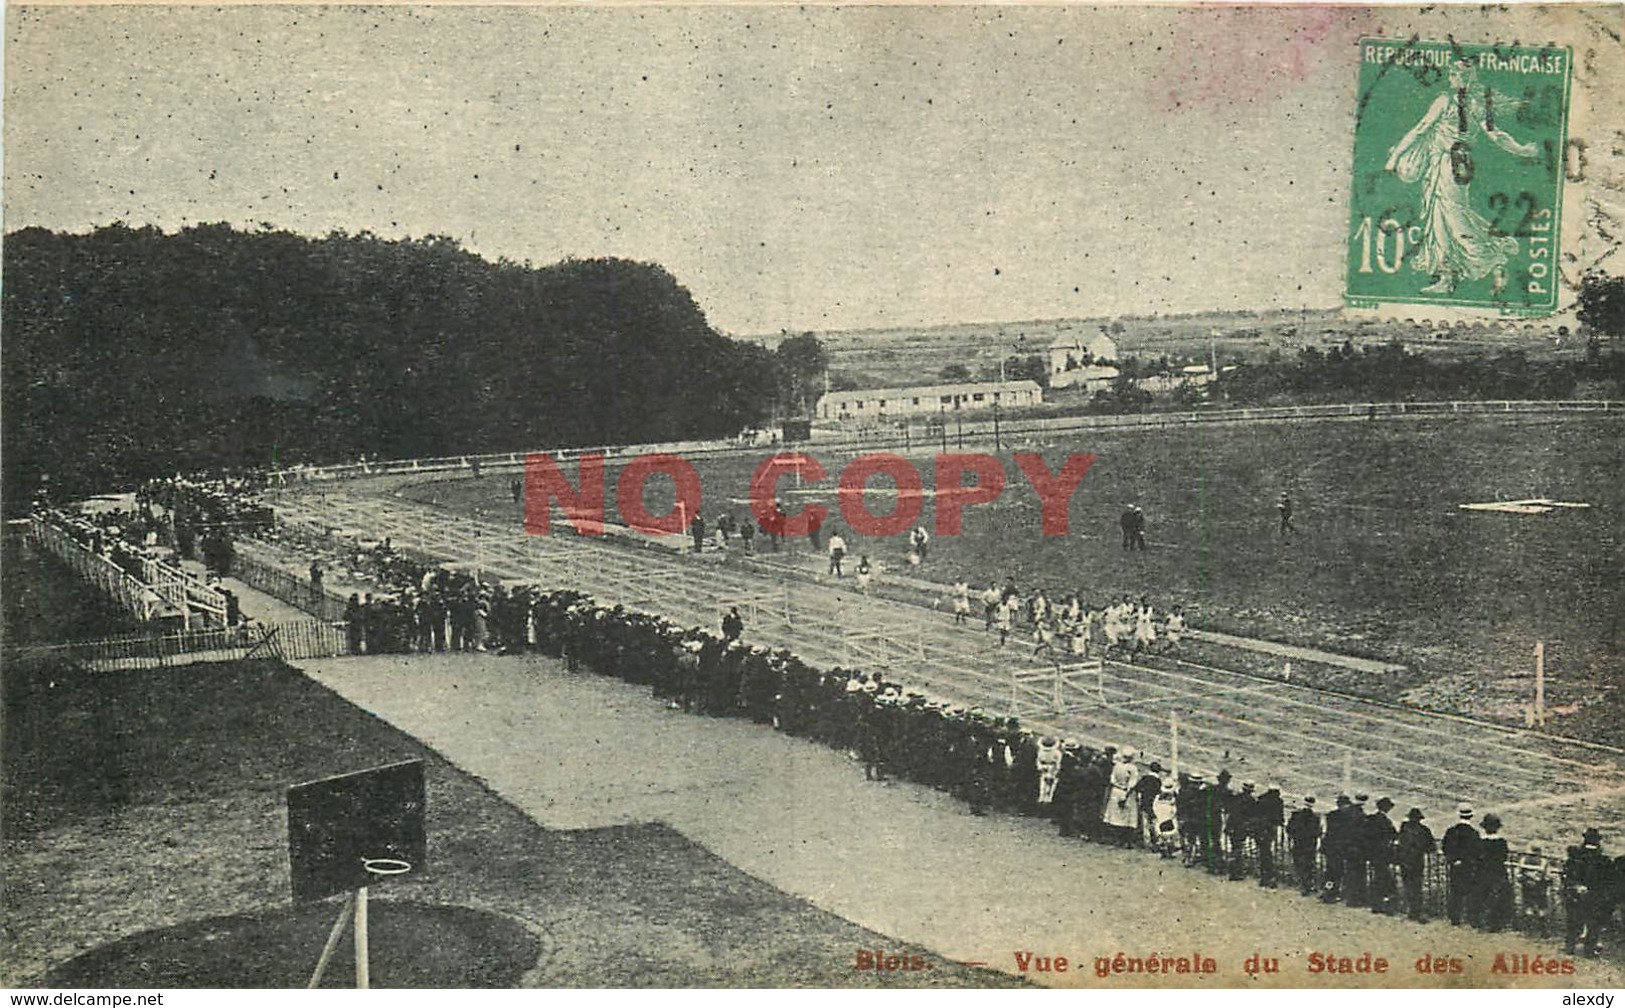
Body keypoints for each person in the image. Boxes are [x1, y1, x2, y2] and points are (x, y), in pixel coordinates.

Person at [1384, 59, 1540, 295]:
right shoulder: (1476, 104)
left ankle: (1487, 255)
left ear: (1461, 78)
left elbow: (1420, 128)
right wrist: (1521, 150)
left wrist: (1394, 157)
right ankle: (1462, 265)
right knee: (1448, 214)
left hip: (1447, 163)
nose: (1450, 78)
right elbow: (1496, 135)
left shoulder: (1444, 101)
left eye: (1453, 75)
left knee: (1449, 217)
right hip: (1462, 164)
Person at [1563, 828, 1609, 956]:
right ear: (1598, 842)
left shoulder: (1575, 856)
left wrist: (1576, 886)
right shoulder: (1603, 859)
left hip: (1575, 892)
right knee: (1593, 923)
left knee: (1573, 921)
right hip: (1595, 894)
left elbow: (1567, 875)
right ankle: (1588, 951)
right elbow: (1607, 880)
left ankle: (1570, 948)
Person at [1442, 805, 1482, 926]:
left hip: (1455, 866)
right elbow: (1476, 851)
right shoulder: (1474, 833)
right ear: (1471, 816)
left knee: (1455, 891)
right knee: (1470, 891)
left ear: (1459, 815)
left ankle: (1455, 918)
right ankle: (1472, 918)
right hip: (1468, 866)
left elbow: (1446, 847)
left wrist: (1453, 860)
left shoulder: (1451, 831)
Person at [1395, 807, 1436, 922]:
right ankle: (1416, 911)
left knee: (1408, 886)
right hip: (1417, 861)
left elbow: (1399, 842)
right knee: (1417, 886)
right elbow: (1431, 847)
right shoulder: (1424, 830)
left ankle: (1411, 910)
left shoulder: (1404, 828)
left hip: (1405, 861)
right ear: (1419, 819)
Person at [1475, 813, 1513, 931]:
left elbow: (1477, 856)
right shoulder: (1501, 842)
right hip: (1498, 871)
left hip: (1482, 872)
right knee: (1498, 896)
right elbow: (1504, 857)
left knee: (1482, 895)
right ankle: (1495, 923)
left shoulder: (1480, 841)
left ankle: (1481, 921)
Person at [1365, 797, 1400, 914]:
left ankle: (1376, 904)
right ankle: (1383, 905)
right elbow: (1394, 835)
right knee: (1385, 880)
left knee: (1379, 878)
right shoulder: (1385, 821)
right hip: (1383, 854)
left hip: (1372, 853)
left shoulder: (1371, 819)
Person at [1287, 796, 1322, 896]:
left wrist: (1294, 836)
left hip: (1298, 842)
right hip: (1310, 844)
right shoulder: (1315, 817)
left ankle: (1303, 884)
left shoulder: (1296, 815)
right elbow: (1318, 832)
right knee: (1309, 864)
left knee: (1299, 863)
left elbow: (1289, 828)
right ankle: (1308, 885)